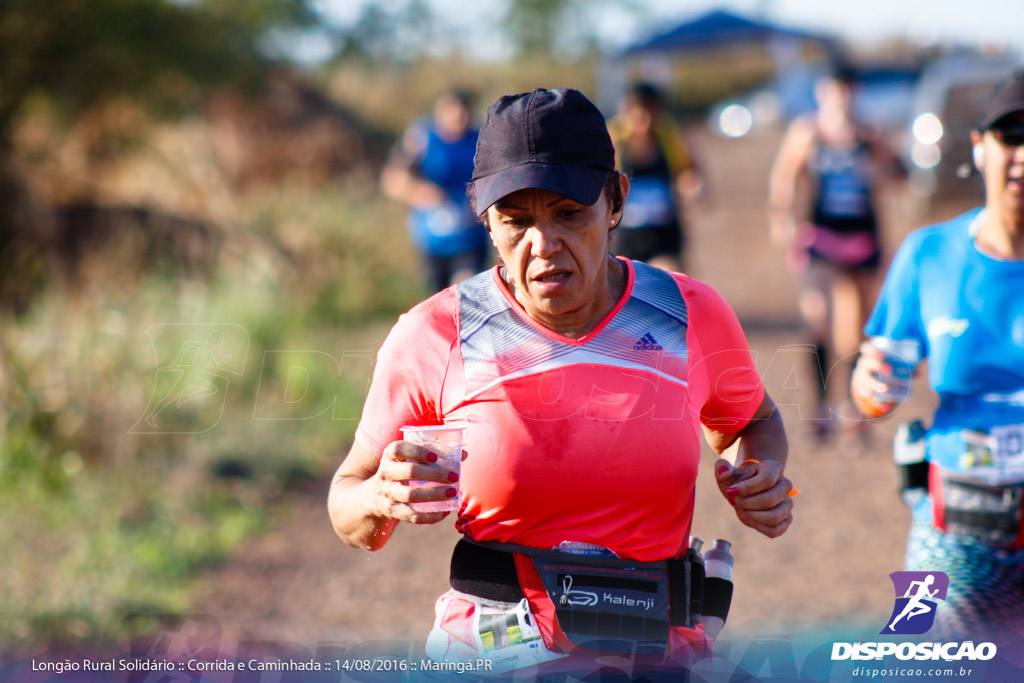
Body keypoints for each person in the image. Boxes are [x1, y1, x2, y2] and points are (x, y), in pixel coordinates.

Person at [329, 88, 795, 676]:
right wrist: (379, 496)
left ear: (615, 200)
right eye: (516, 221)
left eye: (570, 213)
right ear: (486, 221)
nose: (544, 245)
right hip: (494, 652)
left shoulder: (688, 314)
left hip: (657, 652)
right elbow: (348, 505)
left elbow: (752, 419)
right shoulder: (435, 333)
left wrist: (762, 476)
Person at [851, 70, 1024, 639]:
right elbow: (873, 378)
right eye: (1010, 136)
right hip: (952, 527)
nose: (1023, 155)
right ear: (980, 148)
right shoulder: (929, 254)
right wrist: (874, 387)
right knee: (917, 656)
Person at [768, 67, 905, 439]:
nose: (841, 97)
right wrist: (782, 219)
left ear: (855, 92)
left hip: (861, 238)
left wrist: (882, 153)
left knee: (857, 328)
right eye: (835, 89)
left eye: (847, 89)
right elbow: (784, 177)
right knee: (817, 317)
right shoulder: (808, 133)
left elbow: (899, 175)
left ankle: (853, 406)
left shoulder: (868, 134)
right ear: (822, 91)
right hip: (821, 236)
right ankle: (820, 406)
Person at [380, 89, 488, 292]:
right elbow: (392, 180)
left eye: (462, 111)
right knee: (439, 304)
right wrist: (419, 192)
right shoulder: (421, 138)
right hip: (431, 240)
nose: (457, 117)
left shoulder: (481, 139)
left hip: (470, 239)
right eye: (451, 110)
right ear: (439, 112)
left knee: (464, 295)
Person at [608, 81, 704, 273]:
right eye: (639, 112)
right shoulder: (616, 137)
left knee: (670, 278)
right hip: (627, 233)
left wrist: (692, 186)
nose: (645, 121)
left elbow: (685, 170)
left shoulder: (667, 135)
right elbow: (603, 178)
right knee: (629, 286)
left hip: (664, 230)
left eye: (651, 112)